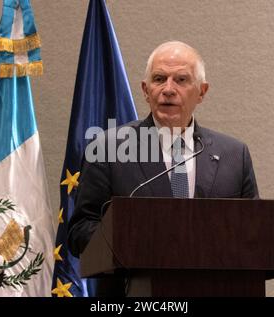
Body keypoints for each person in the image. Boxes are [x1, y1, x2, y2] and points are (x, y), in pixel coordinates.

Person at [67, 40, 259, 276]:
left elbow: (254, 233)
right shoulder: (108, 148)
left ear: (202, 92)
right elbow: (80, 232)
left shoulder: (234, 155)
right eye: (159, 79)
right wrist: (135, 239)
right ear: (146, 90)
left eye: (181, 80)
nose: (168, 89)